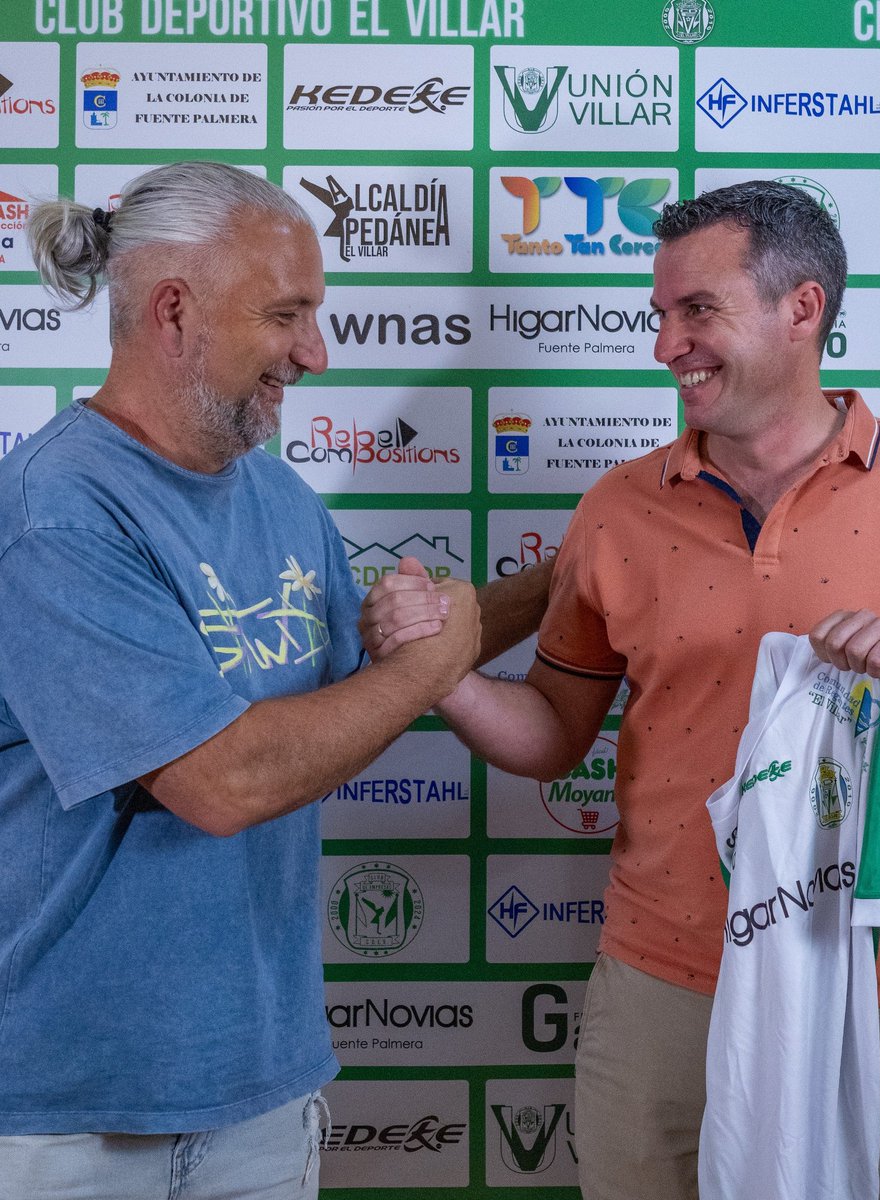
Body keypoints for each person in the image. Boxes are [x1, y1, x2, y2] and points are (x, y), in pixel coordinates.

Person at [363, 181, 880, 1200]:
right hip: (660, 985)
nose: (665, 344)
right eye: (659, 314)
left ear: (801, 309)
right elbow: (554, 732)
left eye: (697, 312)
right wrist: (441, 677)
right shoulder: (618, 506)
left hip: (870, 983)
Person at [0, 160, 548, 1200]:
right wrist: (428, 664)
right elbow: (223, 783)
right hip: (69, 1123)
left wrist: (574, 577)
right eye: (287, 315)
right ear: (174, 310)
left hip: (260, 1092)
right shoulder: (58, 512)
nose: (316, 353)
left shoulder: (276, 491)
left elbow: (370, 681)